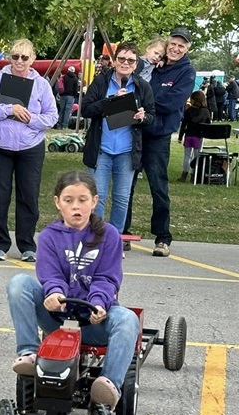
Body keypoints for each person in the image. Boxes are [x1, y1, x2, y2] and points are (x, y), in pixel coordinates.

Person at [7, 170, 139, 409]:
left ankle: (108, 383)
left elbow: (107, 278)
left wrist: (99, 303)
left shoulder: (109, 235)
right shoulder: (48, 237)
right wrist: (54, 294)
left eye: (83, 200)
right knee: (18, 283)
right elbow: (51, 275)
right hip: (58, 320)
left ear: (95, 202)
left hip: (93, 321)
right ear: (58, 202)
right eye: (68, 201)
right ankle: (29, 352)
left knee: (128, 320)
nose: (76, 207)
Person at [0, 38, 58, 262]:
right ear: (9, 58)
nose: (19, 61)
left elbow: (52, 116)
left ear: (32, 59)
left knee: (28, 196)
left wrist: (30, 118)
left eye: (24, 57)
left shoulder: (41, 84)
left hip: (30, 147)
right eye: (15, 56)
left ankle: (27, 245)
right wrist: (7, 109)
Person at [123, 27, 196, 257]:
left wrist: (143, 105)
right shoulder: (153, 65)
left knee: (158, 185)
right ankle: (122, 233)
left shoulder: (187, 72)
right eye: (173, 43)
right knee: (126, 184)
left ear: (187, 49)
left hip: (159, 135)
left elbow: (172, 102)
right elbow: (129, 84)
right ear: (168, 44)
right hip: (135, 131)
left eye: (181, 46)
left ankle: (162, 238)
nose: (176, 48)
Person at [80, 42, 155, 234]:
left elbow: (152, 117)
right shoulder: (101, 81)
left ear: (136, 63)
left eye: (130, 60)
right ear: (114, 61)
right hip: (101, 149)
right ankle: (96, 238)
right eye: (121, 59)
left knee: (122, 198)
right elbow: (86, 109)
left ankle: (114, 241)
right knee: (98, 197)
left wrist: (142, 117)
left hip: (127, 151)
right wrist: (110, 101)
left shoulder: (142, 86)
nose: (125, 63)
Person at [176, 91, 210, 183]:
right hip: (198, 136)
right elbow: (208, 124)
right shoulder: (205, 111)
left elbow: (183, 124)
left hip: (188, 135)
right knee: (197, 156)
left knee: (187, 156)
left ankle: (184, 174)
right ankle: (194, 175)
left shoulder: (188, 111)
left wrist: (180, 136)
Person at [57, 66, 80, 130]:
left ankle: (59, 125)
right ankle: (65, 126)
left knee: (62, 110)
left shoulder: (64, 77)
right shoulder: (75, 79)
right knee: (68, 111)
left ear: (68, 70)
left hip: (63, 95)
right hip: (70, 96)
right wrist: (74, 96)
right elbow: (76, 89)